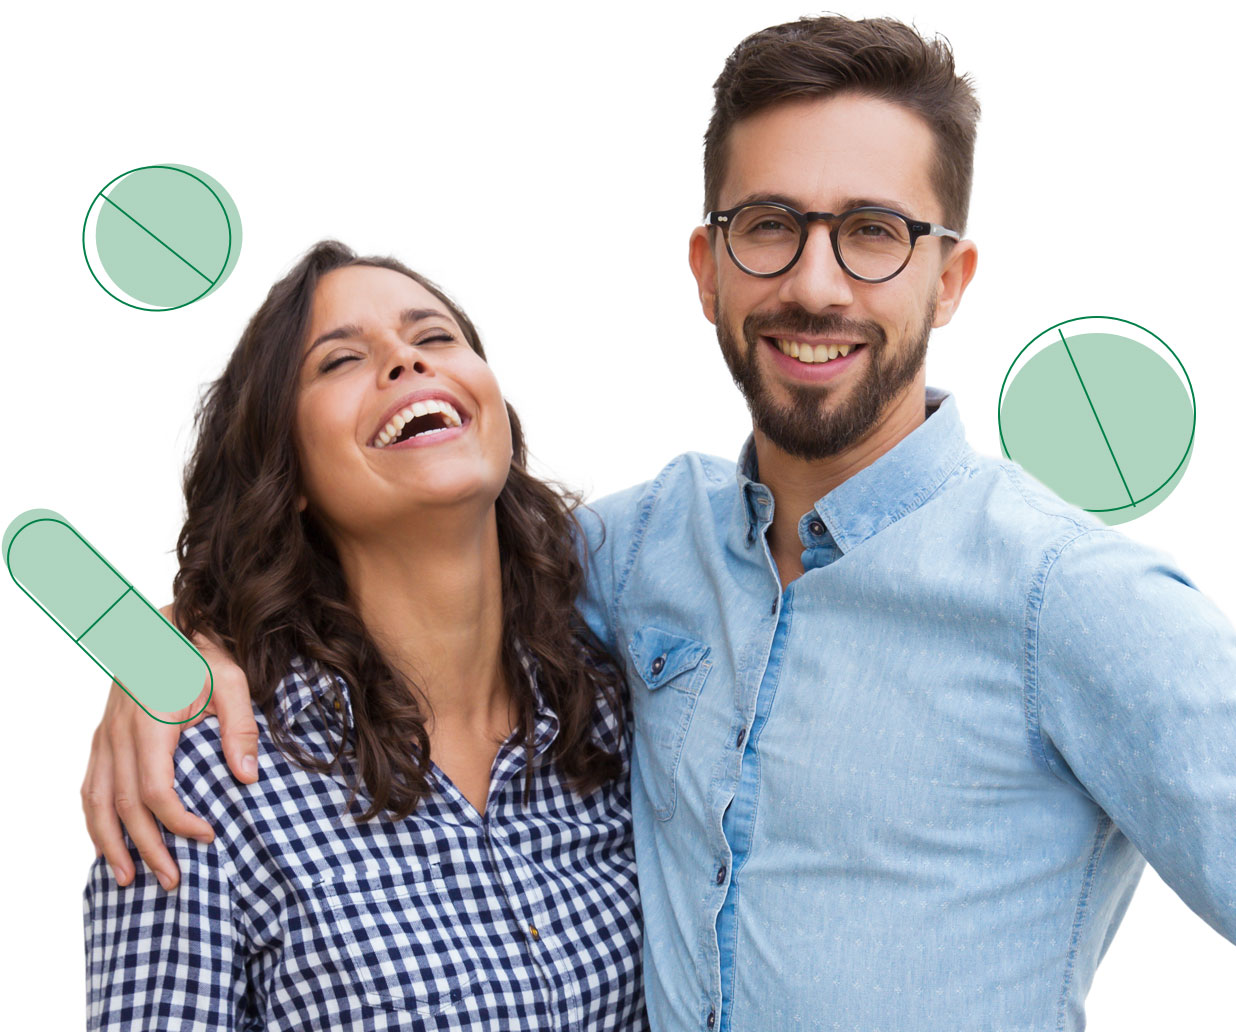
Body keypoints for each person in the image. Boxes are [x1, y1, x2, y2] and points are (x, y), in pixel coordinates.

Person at [82, 15, 1236, 1032]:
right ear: (708, 264)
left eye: (876, 232)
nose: (817, 285)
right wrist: (168, 646)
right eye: (770, 224)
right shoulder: (636, 560)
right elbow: (410, 569)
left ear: (951, 278)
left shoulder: (1067, 600)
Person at [82, 241, 647, 1030]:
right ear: (289, 473)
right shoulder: (209, 776)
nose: (406, 362)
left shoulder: (622, 708)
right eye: (340, 359)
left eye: (435, 337)